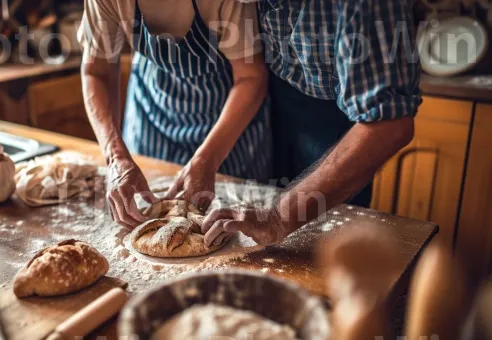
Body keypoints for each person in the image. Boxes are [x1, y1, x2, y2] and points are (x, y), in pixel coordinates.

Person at [203, 0, 422, 246]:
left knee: (321, 253)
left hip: (339, 140)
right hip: (278, 120)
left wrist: (278, 218)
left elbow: (388, 126)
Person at [78, 0, 272, 228]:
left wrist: (207, 161)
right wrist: (115, 157)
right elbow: (96, 71)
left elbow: (250, 76)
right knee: (149, 224)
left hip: (228, 124)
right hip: (152, 115)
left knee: (232, 229)